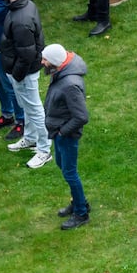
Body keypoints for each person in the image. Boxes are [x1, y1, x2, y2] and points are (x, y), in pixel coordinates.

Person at [42, 42, 91, 230]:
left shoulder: (69, 84)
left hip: (66, 135)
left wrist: (63, 132)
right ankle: (78, 202)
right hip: (58, 132)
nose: (42, 62)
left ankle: (81, 213)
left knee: (70, 173)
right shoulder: (61, 74)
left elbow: (81, 116)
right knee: (63, 167)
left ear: (54, 62)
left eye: (45, 59)